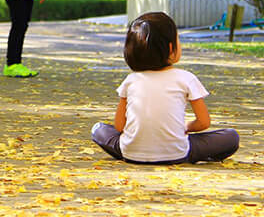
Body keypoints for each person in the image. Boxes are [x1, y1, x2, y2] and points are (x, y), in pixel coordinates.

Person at [91, 12, 239, 164]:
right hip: (177, 153)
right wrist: (184, 127)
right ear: (170, 48)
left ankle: (138, 150)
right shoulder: (186, 78)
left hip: (131, 153)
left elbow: (120, 126)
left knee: (98, 129)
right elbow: (203, 122)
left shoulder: (131, 80)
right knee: (231, 137)